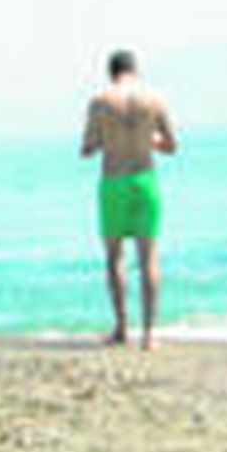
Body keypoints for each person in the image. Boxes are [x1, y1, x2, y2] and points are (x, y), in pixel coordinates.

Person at [80, 49, 178, 350]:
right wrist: (148, 140)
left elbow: (88, 148)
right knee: (148, 258)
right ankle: (149, 334)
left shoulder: (100, 101)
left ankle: (122, 328)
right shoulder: (155, 98)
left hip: (114, 181)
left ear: (111, 72)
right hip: (145, 179)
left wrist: (109, 139)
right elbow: (171, 145)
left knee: (114, 258)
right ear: (135, 70)